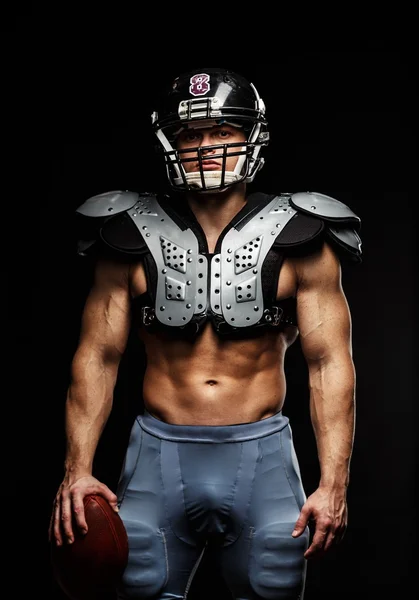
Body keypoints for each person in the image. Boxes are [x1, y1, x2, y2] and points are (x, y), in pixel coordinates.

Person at [49, 67, 362, 600]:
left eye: (223, 131)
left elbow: (329, 363)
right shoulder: (127, 230)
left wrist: (335, 483)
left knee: (274, 588)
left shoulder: (303, 234)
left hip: (262, 458)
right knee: (140, 588)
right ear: (171, 143)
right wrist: (76, 470)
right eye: (191, 134)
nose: (207, 147)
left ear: (251, 138)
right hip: (158, 458)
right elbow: (97, 356)